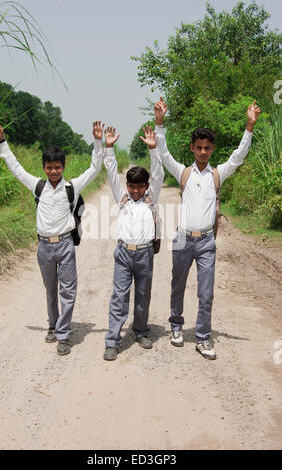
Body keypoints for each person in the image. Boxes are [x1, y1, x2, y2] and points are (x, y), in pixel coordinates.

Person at [154, 98, 261, 360]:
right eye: (199, 148)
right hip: (182, 239)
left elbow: (238, 156)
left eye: (207, 148)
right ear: (192, 148)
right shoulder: (183, 173)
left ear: (212, 149)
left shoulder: (218, 174)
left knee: (206, 292)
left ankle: (203, 337)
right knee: (177, 285)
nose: (202, 152)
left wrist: (249, 125)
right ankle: (176, 326)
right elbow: (163, 154)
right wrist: (159, 122)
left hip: (206, 243)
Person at [0, 120, 105, 356]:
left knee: (68, 291)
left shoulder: (72, 187)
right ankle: (52, 324)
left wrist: (97, 141)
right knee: (50, 290)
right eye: (49, 168)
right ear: (44, 168)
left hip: (64, 245)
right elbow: (16, 168)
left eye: (57, 167)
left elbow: (94, 168)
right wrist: (2, 141)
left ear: (63, 167)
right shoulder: (38, 186)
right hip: (44, 247)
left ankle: (63, 335)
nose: (53, 172)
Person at [103, 125, 164, 361]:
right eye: (132, 186)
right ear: (127, 185)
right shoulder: (123, 198)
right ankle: (112, 340)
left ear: (146, 186)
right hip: (123, 253)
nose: (136, 190)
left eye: (140, 186)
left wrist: (153, 149)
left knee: (143, 294)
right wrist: (109, 148)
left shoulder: (151, 198)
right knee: (119, 295)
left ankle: (140, 331)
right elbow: (110, 172)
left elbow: (158, 173)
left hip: (145, 254)